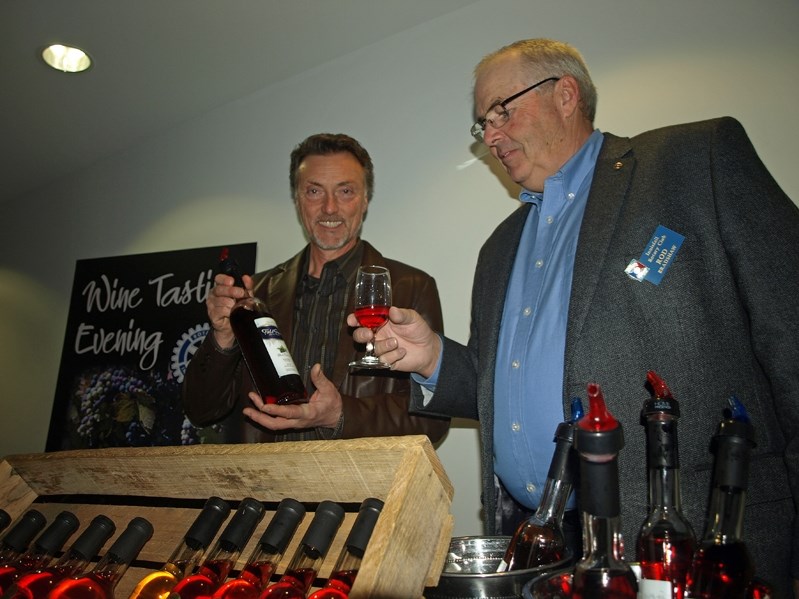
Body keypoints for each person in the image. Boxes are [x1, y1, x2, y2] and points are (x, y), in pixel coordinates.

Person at [350, 39, 799, 594]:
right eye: (481, 124)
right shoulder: (499, 248)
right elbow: (503, 392)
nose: (490, 136)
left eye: (501, 110)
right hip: (536, 542)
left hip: (691, 541)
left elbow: (791, 326)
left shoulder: (694, 160)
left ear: (565, 95)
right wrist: (436, 359)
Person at [182, 133, 449, 445]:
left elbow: (433, 417)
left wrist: (340, 416)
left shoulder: (411, 287)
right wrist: (222, 340)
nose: (330, 208)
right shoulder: (256, 295)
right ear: (298, 200)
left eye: (346, 191)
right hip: (263, 489)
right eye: (314, 192)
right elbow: (201, 411)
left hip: (357, 491)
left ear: (364, 200)